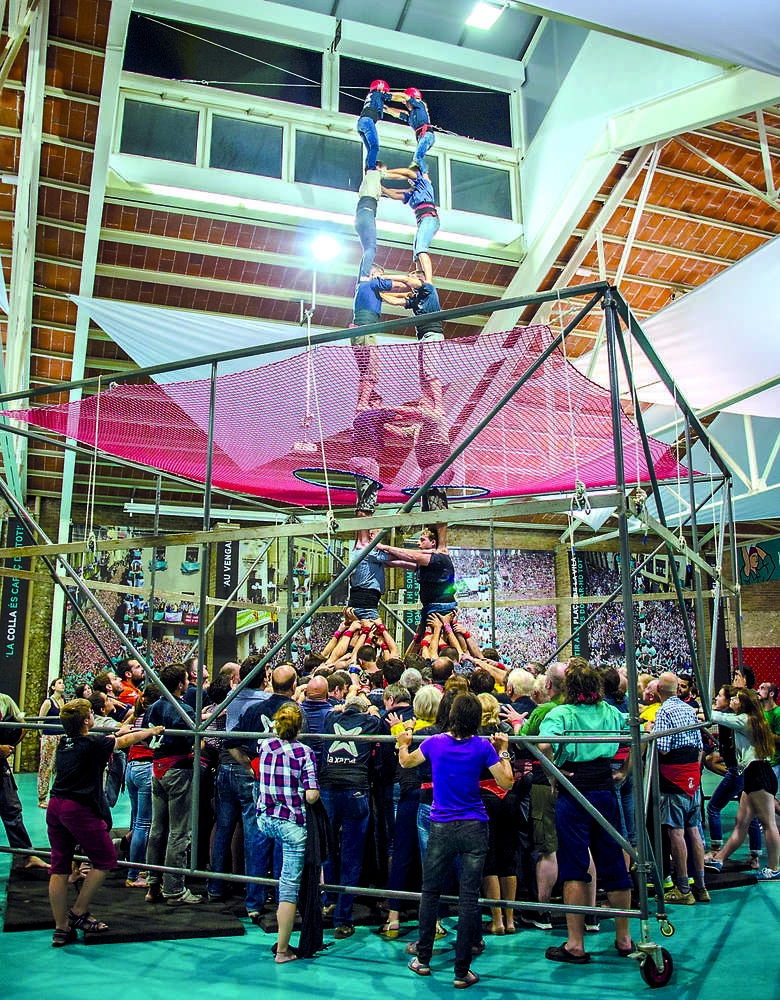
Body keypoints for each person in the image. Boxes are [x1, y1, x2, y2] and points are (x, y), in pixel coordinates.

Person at [398, 691, 512, 988]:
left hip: (441, 826)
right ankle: (462, 971)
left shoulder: (434, 742)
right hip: (475, 826)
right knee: (469, 897)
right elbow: (506, 781)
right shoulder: (483, 746)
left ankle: (423, 959)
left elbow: (407, 763)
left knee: (430, 891)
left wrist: (403, 743)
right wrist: (504, 751)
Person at [538, 658, 634, 964]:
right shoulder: (611, 712)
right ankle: (624, 938)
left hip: (574, 790)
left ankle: (575, 944)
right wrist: (624, 772)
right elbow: (637, 738)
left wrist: (553, 774)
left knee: (574, 866)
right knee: (613, 862)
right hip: (605, 788)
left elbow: (543, 745)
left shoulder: (561, 714)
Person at [46, 698, 163, 946]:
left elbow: (110, 739)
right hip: (78, 808)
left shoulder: (64, 743)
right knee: (105, 859)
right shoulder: (93, 743)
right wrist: (151, 731)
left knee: (59, 867)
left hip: (56, 805)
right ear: (86, 721)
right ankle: (78, 912)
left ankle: (61, 928)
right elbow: (124, 741)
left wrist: (119, 731)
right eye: (90, 713)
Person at [254, 702, 319, 963]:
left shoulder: (265, 746)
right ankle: (282, 950)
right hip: (291, 824)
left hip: (265, 819)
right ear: (300, 727)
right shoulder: (304, 752)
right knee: (289, 887)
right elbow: (312, 795)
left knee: (280, 877)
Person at [704, 688, 780, 880]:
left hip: (758, 774)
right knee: (741, 822)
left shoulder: (746, 720)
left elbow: (717, 717)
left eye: (736, 699)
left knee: (768, 824)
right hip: (754, 773)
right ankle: (719, 859)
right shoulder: (753, 718)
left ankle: (773, 868)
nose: (732, 701)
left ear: (744, 703)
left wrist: (699, 710)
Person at [144, 664, 203, 906]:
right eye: (187, 680)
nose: (188, 683)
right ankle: (174, 889)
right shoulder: (184, 709)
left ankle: (153, 884)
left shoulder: (154, 707)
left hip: (157, 769)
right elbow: (193, 739)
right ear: (180, 684)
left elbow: (146, 735)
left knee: (157, 829)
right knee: (179, 832)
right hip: (178, 770)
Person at [651, 671, 707, 905]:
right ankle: (701, 887)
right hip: (693, 776)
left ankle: (683, 889)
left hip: (674, 778)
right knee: (693, 830)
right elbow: (700, 745)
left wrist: (651, 734)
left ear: (658, 691)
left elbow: (663, 749)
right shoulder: (688, 709)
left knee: (676, 832)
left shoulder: (663, 711)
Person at [350, 267, 415, 410]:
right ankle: (363, 403)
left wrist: (406, 294)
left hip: (357, 332)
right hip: (366, 330)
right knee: (372, 371)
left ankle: (360, 403)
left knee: (364, 372)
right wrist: (413, 283)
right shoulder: (373, 283)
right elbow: (399, 285)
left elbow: (390, 297)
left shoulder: (364, 287)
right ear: (374, 273)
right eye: (380, 275)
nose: (381, 277)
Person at [377, 523, 456, 635]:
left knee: (433, 638)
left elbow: (411, 556)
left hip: (441, 608)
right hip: (431, 606)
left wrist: (385, 547)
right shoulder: (425, 561)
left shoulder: (438, 558)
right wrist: (378, 560)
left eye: (422, 540)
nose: (418, 543)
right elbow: (400, 562)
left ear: (433, 542)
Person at [0, 691, 48, 871]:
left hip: (1, 767)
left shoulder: (4, 701)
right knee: (11, 809)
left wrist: (8, 746)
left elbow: (22, 725)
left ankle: (27, 854)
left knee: (12, 809)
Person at [382, 167, 439, 283]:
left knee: (421, 249)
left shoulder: (423, 183)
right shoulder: (412, 194)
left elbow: (408, 172)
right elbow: (395, 194)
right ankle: (420, 278)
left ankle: (428, 281)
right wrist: (382, 189)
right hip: (422, 221)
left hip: (429, 217)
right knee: (417, 255)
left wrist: (385, 173)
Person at [356, 79, 404, 172]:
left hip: (361, 123)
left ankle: (368, 169)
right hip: (368, 121)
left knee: (370, 150)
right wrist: (405, 98)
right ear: (381, 89)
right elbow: (393, 97)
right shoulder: (378, 94)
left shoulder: (372, 96)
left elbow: (386, 108)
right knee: (375, 147)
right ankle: (371, 169)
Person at [355, 160, 388, 279]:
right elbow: (393, 175)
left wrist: (406, 192)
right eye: (384, 169)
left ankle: (361, 277)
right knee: (371, 248)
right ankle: (364, 277)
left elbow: (389, 192)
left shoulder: (371, 183)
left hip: (361, 216)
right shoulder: (374, 173)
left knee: (367, 250)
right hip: (368, 212)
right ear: (378, 167)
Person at [38, 677, 66, 808]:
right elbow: (40, 720)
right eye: (59, 683)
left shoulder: (64, 702)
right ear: (53, 687)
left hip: (62, 736)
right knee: (46, 766)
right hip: (49, 737)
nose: (62, 685)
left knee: (59, 767)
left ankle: (56, 796)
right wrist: (43, 736)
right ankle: (42, 797)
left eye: (63, 683)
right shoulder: (48, 702)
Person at [398, 87, 435, 174]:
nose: (406, 105)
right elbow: (399, 114)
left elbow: (405, 96)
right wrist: (385, 109)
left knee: (417, 158)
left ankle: (425, 176)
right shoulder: (412, 117)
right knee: (417, 160)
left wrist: (387, 96)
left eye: (406, 102)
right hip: (423, 136)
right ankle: (420, 174)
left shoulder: (419, 105)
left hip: (426, 135)